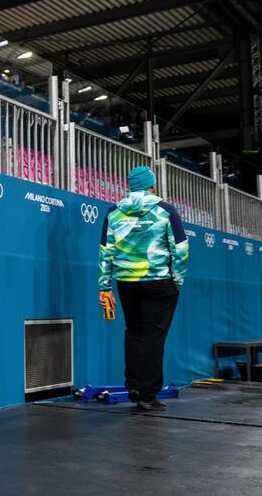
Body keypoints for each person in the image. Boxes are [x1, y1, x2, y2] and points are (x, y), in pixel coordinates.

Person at [97, 166, 189, 411]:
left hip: (126, 282)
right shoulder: (165, 210)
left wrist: (104, 286)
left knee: (134, 332)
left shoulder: (114, 212)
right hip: (160, 281)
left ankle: (134, 386)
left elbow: (106, 251)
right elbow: (180, 249)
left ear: (130, 185)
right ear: (152, 184)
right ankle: (148, 394)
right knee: (154, 336)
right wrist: (176, 280)